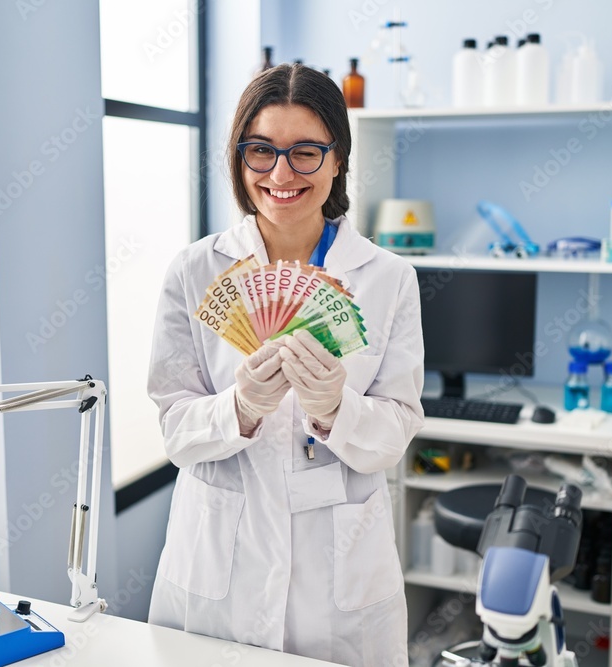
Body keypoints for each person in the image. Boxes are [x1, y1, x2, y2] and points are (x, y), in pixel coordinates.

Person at [146, 63, 425, 667]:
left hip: (340, 579)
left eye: (305, 153)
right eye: (261, 152)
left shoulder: (390, 280)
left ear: (338, 159)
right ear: (238, 157)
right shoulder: (195, 272)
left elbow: (396, 430)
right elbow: (175, 429)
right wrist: (238, 409)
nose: (280, 174)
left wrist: (336, 411)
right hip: (219, 562)